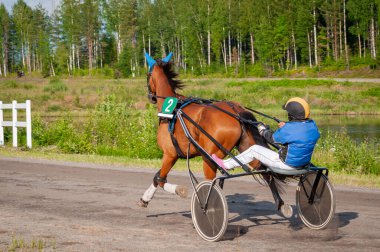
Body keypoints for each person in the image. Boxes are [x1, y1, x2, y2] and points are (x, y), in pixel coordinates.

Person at [212, 97, 320, 172]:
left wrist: (262, 129)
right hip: (304, 163)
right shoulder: (312, 126)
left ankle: (226, 165)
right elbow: (299, 131)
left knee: (254, 149)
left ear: (291, 115)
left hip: (287, 165)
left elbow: (272, 138)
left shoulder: (289, 129)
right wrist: (286, 126)